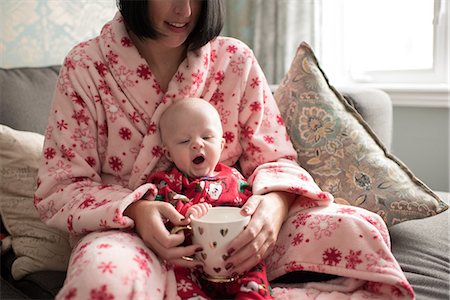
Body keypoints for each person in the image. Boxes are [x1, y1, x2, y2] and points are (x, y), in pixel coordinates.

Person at [34, 0, 414, 299]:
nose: (184, 11)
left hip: (240, 228)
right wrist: (137, 209)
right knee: (103, 281)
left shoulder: (235, 60)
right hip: (131, 236)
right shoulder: (86, 67)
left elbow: (275, 157)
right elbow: (61, 185)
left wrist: (274, 208)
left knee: (358, 228)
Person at [148, 97, 271, 299]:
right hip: (191, 260)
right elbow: (157, 210)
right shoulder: (168, 181)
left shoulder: (234, 177)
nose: (197, 144)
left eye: (207, 137)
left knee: (255, 279)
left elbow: (251, 205)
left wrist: (255, 211)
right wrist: (184, 212)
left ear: (222, 145)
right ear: (168, 153)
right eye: (184, 141)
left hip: (236, 258)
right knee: (174, 278)